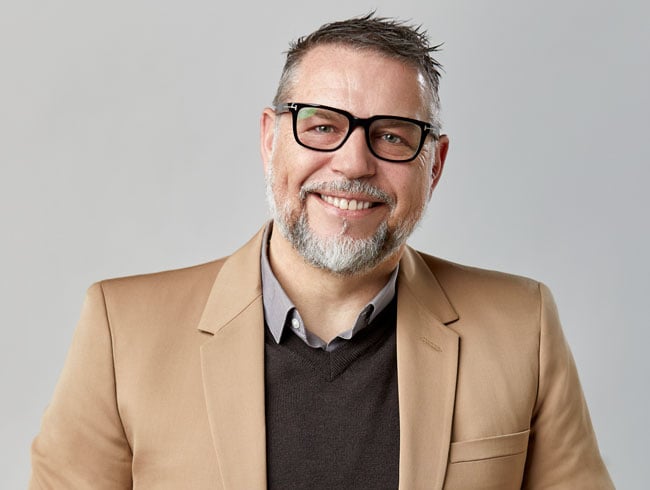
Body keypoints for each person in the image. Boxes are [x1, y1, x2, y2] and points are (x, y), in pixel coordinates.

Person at [30, 14, 614, 489]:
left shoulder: (523, 327)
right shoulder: (123, 331)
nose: (354, 163)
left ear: (434, 165)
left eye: (391, 135)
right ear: (270, 139)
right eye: (322, 126)